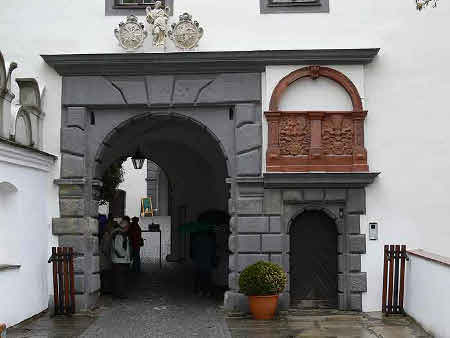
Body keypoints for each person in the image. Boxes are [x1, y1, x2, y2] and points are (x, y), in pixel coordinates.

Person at [190, 230, 216, 297]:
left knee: (198, 277)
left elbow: (193, 250)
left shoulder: (196, 239)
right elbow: (213, 251)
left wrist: (193, 257)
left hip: (199, 261)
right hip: (207, 261)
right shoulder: (210, 239)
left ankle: (199, 291)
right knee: (207, 277)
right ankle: (207, 291)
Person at [111, 216, 131, 299]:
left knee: (119, 278)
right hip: (120, 260)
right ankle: (120, 294)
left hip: (120, 260)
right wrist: (124, 256)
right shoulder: (119, 234)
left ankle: (119, 293)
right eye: (127, 227)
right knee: (120, 279)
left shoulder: (120, 234)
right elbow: (118, 248)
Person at [100, 217, 116, 294]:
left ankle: (105, 288)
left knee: (105, 274)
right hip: (105, 258)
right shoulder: (107, 235)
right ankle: (105, 289)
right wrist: (110, 257)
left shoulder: (107, 234)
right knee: (105, 274)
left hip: (105, 258)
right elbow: (105, 249)